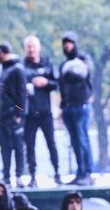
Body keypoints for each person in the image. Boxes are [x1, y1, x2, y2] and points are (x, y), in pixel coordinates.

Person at [0, 43, 29, 186]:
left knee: (17, 146)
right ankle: (6, 176)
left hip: (13, 116)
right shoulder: (2, 70)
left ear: (3, 53)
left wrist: (19, 113)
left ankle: (19, 175)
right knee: (5, 147)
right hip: (3, 115)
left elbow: (22, 93)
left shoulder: (17, 69)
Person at [56, 33, 96, 183]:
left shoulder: (83, 60)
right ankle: (80, 172)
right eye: (64, 43)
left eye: (70, 43)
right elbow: (62, 87)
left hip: (81, 106)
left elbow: (85, 73)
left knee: (82, 139)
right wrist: (62, 106)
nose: (67, 46)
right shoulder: (63, 65)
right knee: (74, 141)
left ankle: (88, 173)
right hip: (68, 107)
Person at [20, 35, 58, 187]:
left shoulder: (47, 64)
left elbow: (56, 83)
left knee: (51, 143)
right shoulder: (21, 66)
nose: (31, 49)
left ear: (38, 48)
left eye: (33, 46)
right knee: (30, 145)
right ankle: (32, 176)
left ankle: (57, 172)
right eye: (28, 46)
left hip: (45, 111)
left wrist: (46, 82)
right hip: (29, 113)